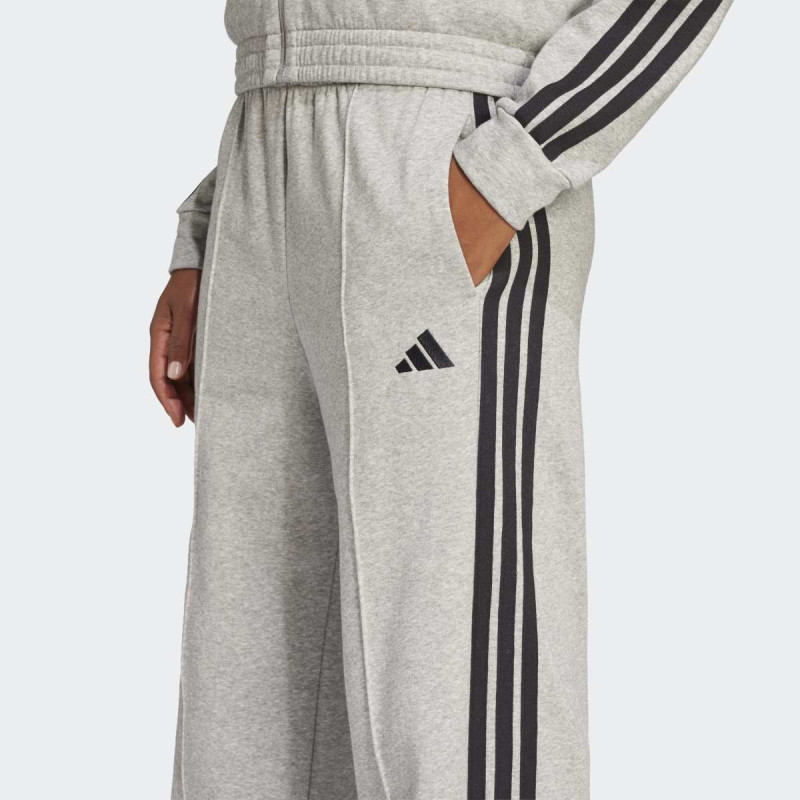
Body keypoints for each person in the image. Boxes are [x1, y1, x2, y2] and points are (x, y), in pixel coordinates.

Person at [149, 1, 731, 798]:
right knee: (252, 707)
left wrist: (513, 166)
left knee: (451, 695)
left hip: (441, 146)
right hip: (265, 144)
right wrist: (210, 220)